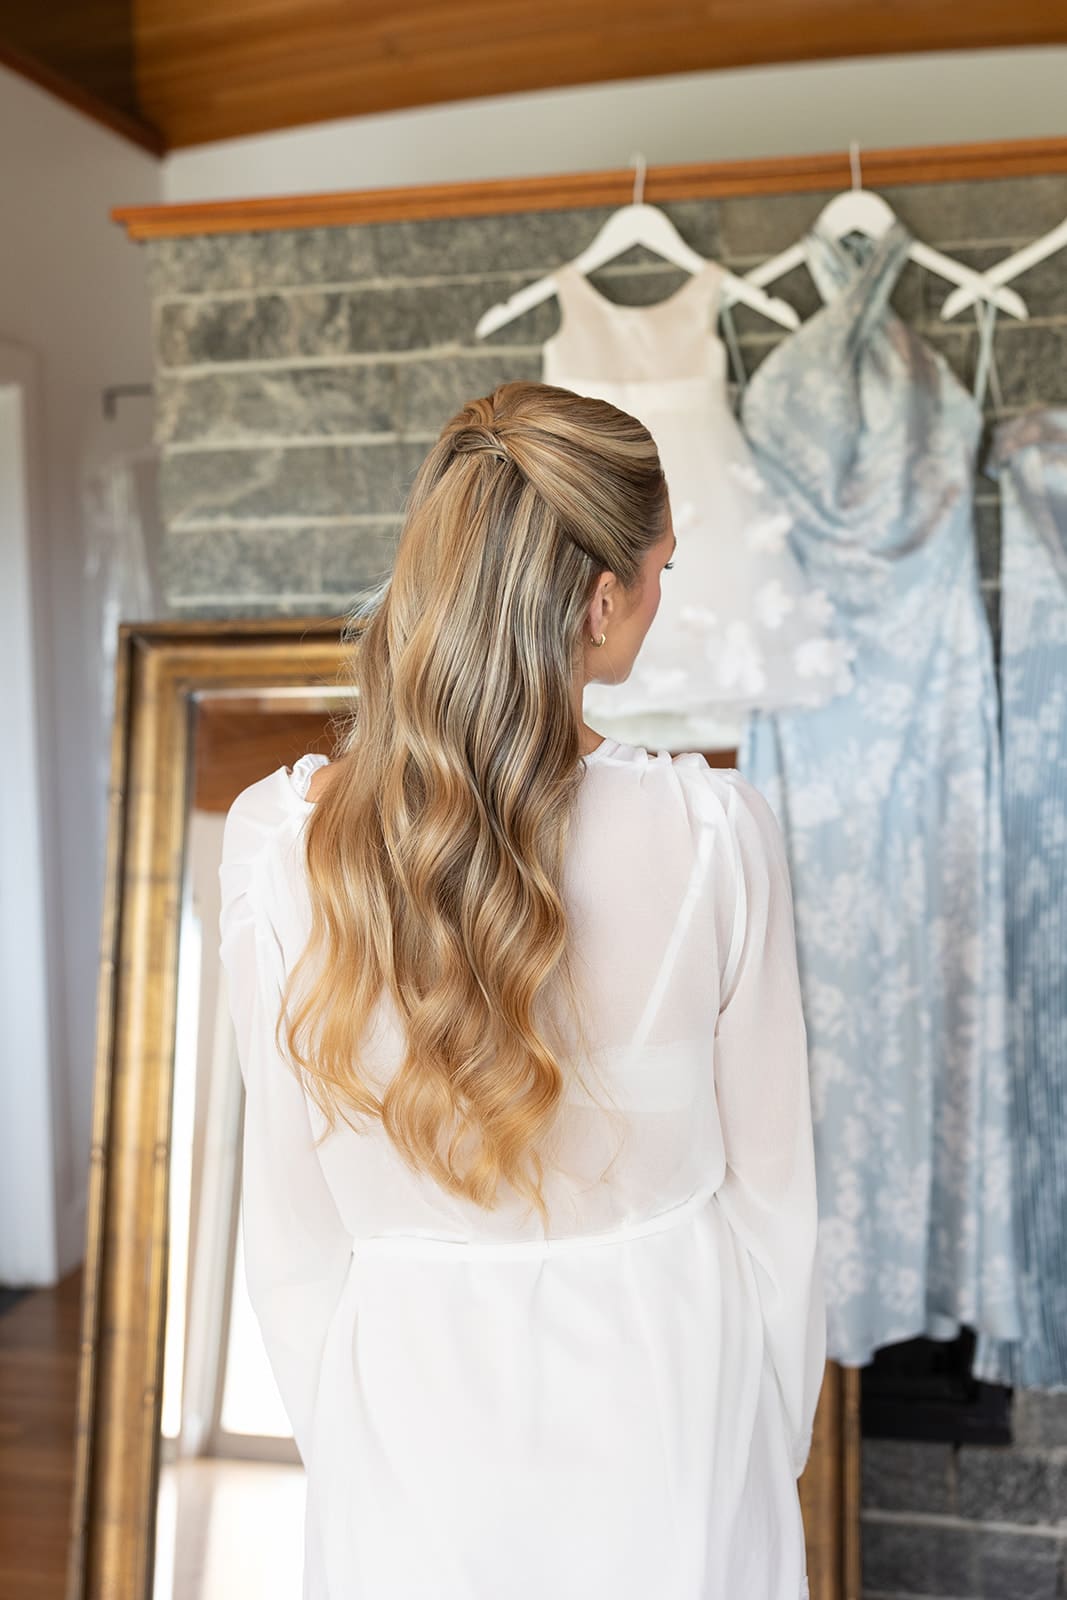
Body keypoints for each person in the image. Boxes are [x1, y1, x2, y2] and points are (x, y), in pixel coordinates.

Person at [218, 379, 826, 1600]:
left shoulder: (278, 844)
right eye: (660, 567)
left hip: (405, 1423)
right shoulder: (716, 834)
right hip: (675, 1411)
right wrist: (763, 1445)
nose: (659, 592)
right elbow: (776, 1212)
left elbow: (289, 1234)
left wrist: (353, 1449)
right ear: (600, 600)